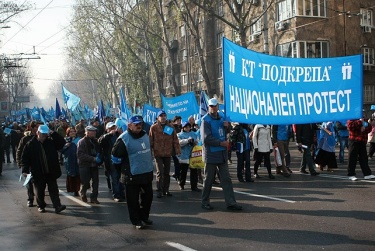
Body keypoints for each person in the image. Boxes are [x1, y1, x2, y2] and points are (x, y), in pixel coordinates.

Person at [112, 115, 154, 229]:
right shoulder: (123, 139)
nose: (139, 126)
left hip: (146, 173)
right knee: (133, 201)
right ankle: (136, 221)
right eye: (136, 124)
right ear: (129, 125)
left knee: (148, 197)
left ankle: (144, 216)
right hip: (131, 174)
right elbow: (115, 157)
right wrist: (123, 171)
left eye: (140, 123)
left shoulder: (145, 135)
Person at [201, 98, 242, 211]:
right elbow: (206, 139)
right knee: (208, 180)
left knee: (226, 179)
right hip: (211, 154)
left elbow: (227, 132)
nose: (213, 108)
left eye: (215, 106)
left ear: (218, 106)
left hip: (222, 154)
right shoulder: (206, 120)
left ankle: (231, 202)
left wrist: (227, 126)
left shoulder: (222, 118)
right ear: (209, 107)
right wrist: (220, 143)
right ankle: (205, 201)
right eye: (211, 106)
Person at [21, 124, 66, 213]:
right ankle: (41, 205)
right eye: (42, 134)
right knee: (40, 191)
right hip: (38, 172)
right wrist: (25, 170)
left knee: (54, 190)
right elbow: (25, 158)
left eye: (46, 134)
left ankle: (57, 206)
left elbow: (62, 143)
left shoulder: (51, 142)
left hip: (51, 171)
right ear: (38, 133)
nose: (44, 136)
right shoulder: (30, 144)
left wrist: (53, 133)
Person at [149, 110, 181, 198]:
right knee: (160, 172)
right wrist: (150, 152)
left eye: (164, 115)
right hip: (158, 153)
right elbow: (151, 140)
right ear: (158, 118)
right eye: (161, 116)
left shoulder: (170, 127)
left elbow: (175, 139)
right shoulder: (154, 127)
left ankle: (166, 190)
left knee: (167, 173)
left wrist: (177, 150)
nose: (163, 117)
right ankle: (159, 190)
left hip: (167, 153)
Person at [16, 121, 42, 207]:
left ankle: (40, 202)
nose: (38, 129)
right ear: (32, 128)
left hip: (39, 165)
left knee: (39, 184)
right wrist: (20, 163)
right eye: (36, 127)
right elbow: (19, 151)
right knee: (29, 183)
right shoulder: (25, 139)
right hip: (28, 165)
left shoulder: (43, 138)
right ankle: (30, 199)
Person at [99, 122, 125, 202]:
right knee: (114, 178)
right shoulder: (105, 137)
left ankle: (122, 193)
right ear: (107, 130)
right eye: (111, 128)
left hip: (120, 160)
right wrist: (109, 134)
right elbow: (101, 141)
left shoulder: (119, 136)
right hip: (111, 161)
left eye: (114, 127)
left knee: (122, 178)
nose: (113, 129)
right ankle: (116, 195)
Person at [77, 125, 103, 204]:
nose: (94, 132)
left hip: (94, 165)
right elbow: (80, 155)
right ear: (87, 132)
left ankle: (94, 198)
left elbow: (99, 150)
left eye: (95, 131)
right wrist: (93, 159)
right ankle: (83, 192)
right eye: (92, 131)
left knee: (95, 182)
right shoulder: (81, 142)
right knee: (85, 182)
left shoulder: (95, 141)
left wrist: (100, 156)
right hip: (85, 165)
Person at [177, 121, 201, 191]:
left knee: (194, 171)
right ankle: (181, 184)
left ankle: (194, 186)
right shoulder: (179, 135)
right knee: (183, 171)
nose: (187, 128)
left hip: (193, 154)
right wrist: (187, 141)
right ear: (183, 127)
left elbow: (197, 140)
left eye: (188, 127)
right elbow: (179, 143)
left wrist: (195, 142)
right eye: (186, 127)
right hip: (183, 155)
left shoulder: (193, 134)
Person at [61, 127, 81, 196]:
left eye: (73, 131)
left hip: (77, 159)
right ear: (68, 133)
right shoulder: (65, 140)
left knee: (78, 174)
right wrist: (65, 146)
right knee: (71, 174)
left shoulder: (79, 140)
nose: (72, 133)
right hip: (69, 160)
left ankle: (77, 189)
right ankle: (72, 189)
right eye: (71, 132)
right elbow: (61, 150)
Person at [171, 115, 182, 181]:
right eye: (178, 120)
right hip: (173, 147)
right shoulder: (171, 127)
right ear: (174, 121)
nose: (179, 122)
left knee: (180, 162)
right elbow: (167, 136)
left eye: (180, 120)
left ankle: (178, 174)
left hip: (181, 147)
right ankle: (177, 174)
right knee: (176, 161)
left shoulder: (182, 127)